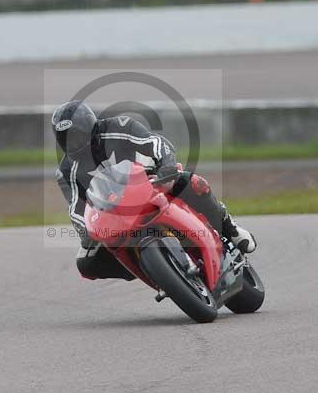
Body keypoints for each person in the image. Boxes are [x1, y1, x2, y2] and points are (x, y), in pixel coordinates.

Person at [52, 100, 257, 280]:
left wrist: (166, 165)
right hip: (113, 214)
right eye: (65, 139)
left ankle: (230, 229)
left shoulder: (118, 127)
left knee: (191, 182)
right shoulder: (66, 171)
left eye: (76, 136)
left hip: (150, 183)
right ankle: (148, 268)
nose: (73, 144)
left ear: (90, 127)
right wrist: (88, 231)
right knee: (86, 263)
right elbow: (76, 208)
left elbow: (155, 141)